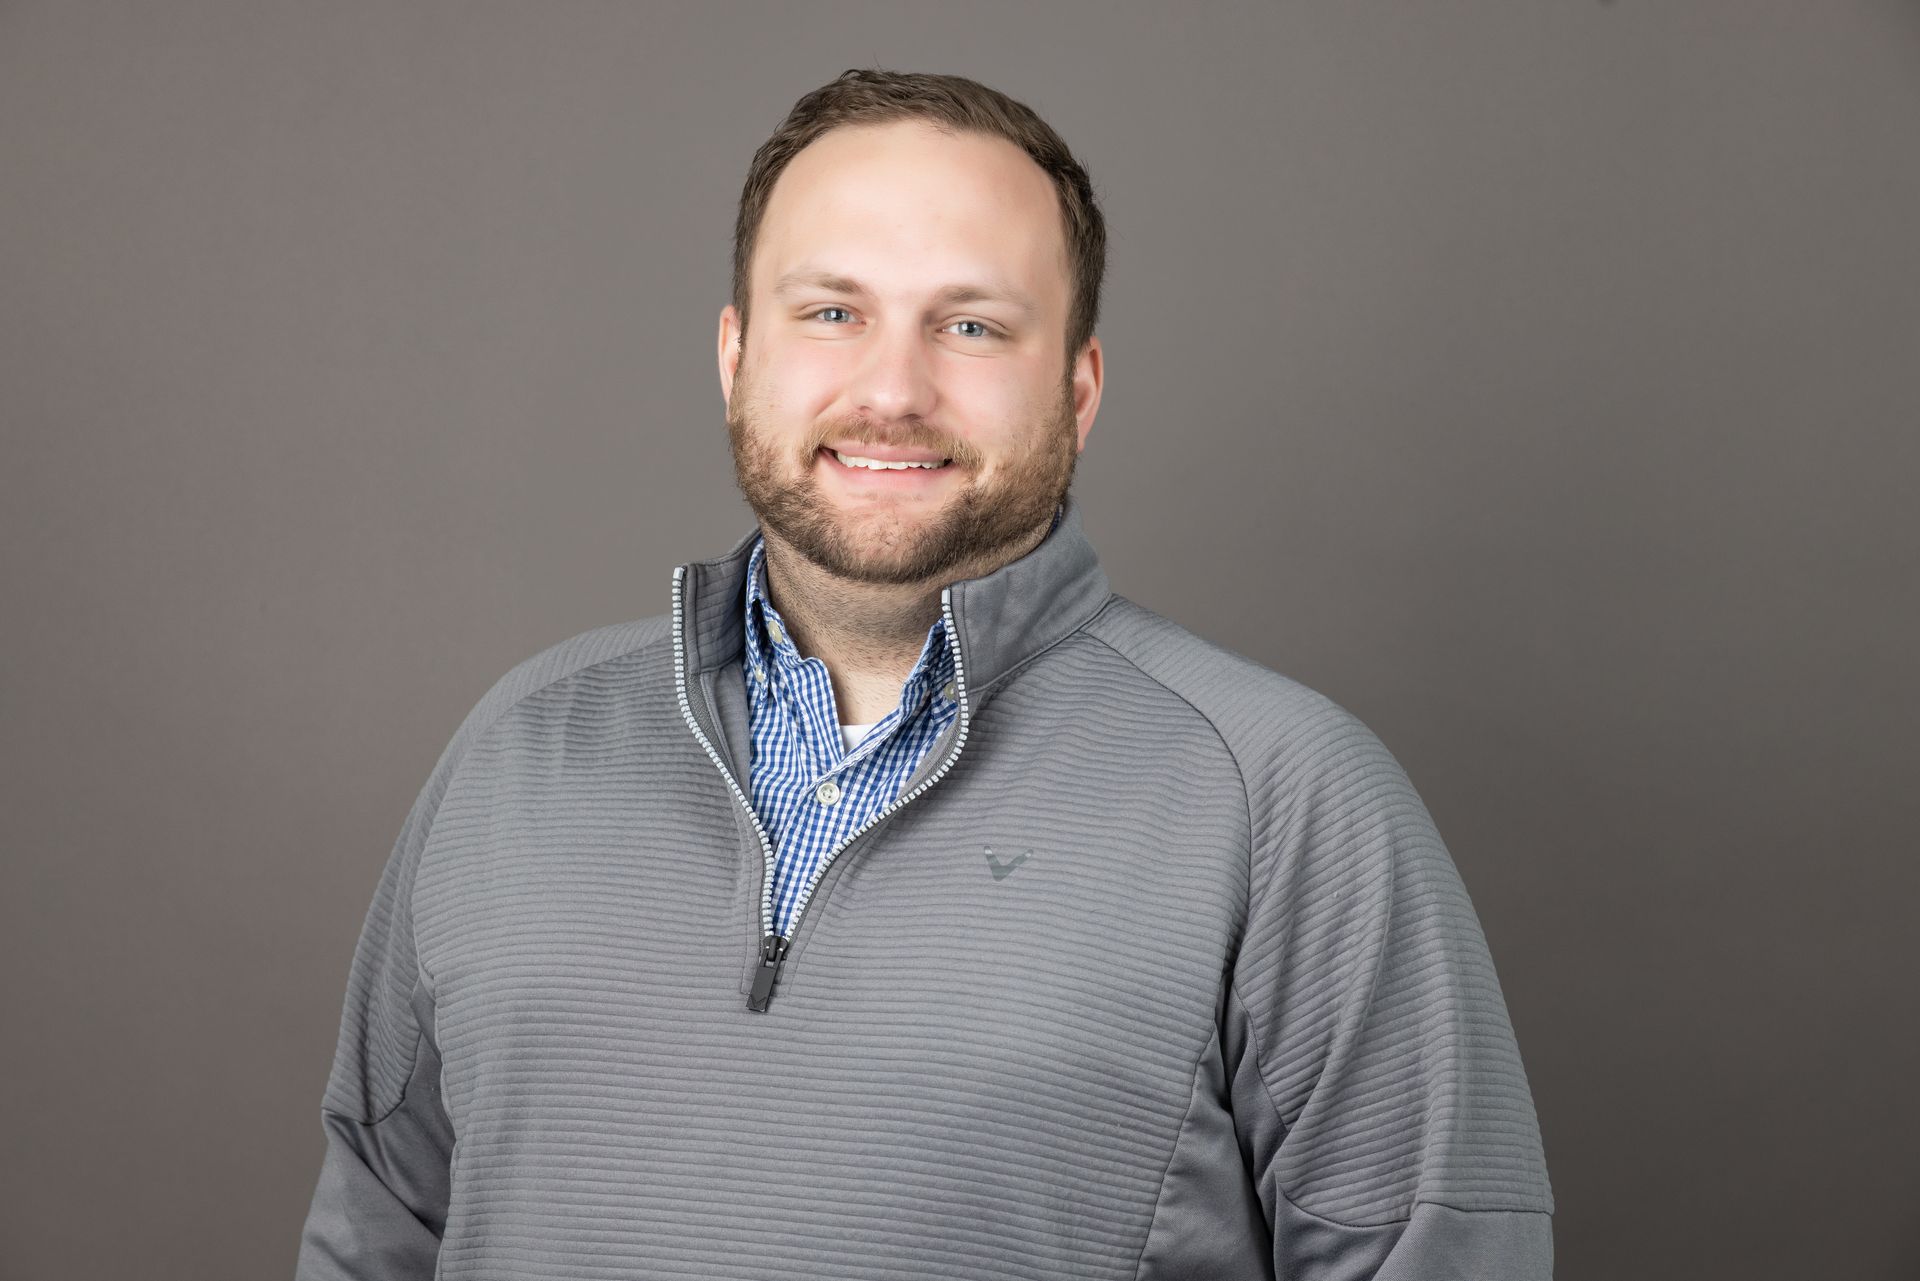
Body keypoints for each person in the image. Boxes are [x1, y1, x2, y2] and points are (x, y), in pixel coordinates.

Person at [295, 68, 1555, 1280]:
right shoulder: (519, 749)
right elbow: (377, 1226)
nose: (891, 389)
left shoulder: (1283, 798)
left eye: (969, 325)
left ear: (1080, 385)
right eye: (831, 311)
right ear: (736, 354)